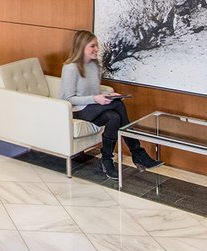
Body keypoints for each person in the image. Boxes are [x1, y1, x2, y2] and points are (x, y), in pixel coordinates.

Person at [60, 30, 162, 180]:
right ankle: (137, 152)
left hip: (91, 108)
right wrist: (96, 99)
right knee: (118, 106)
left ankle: (107, 160)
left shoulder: (95, 65)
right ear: (81, 47)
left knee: (114, 117)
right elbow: (68, 99)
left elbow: (94, 91)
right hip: (75, 110)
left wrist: (107, 95)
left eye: (97, 45)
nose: (97, 49)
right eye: (92, 46)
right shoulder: (70, 68)